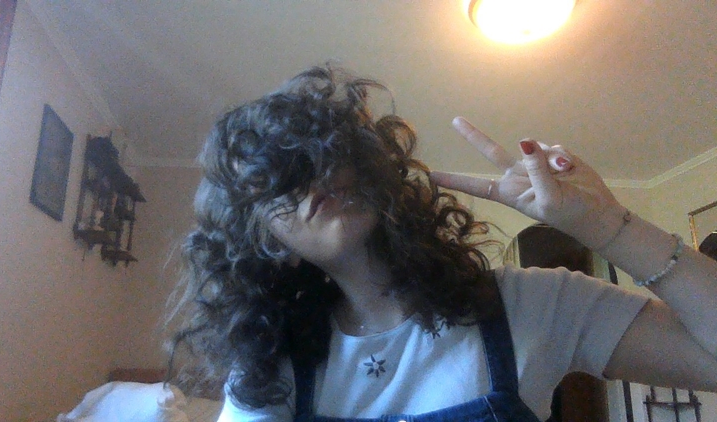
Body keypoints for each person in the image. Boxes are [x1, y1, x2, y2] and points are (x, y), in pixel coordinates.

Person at [166, 66, 717, 422]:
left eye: (318, 158)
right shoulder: (271, 368)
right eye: (278, 185)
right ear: (270, 245)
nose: (309, 182)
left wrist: (609, 227)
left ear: (371, 170)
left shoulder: (535, 303)